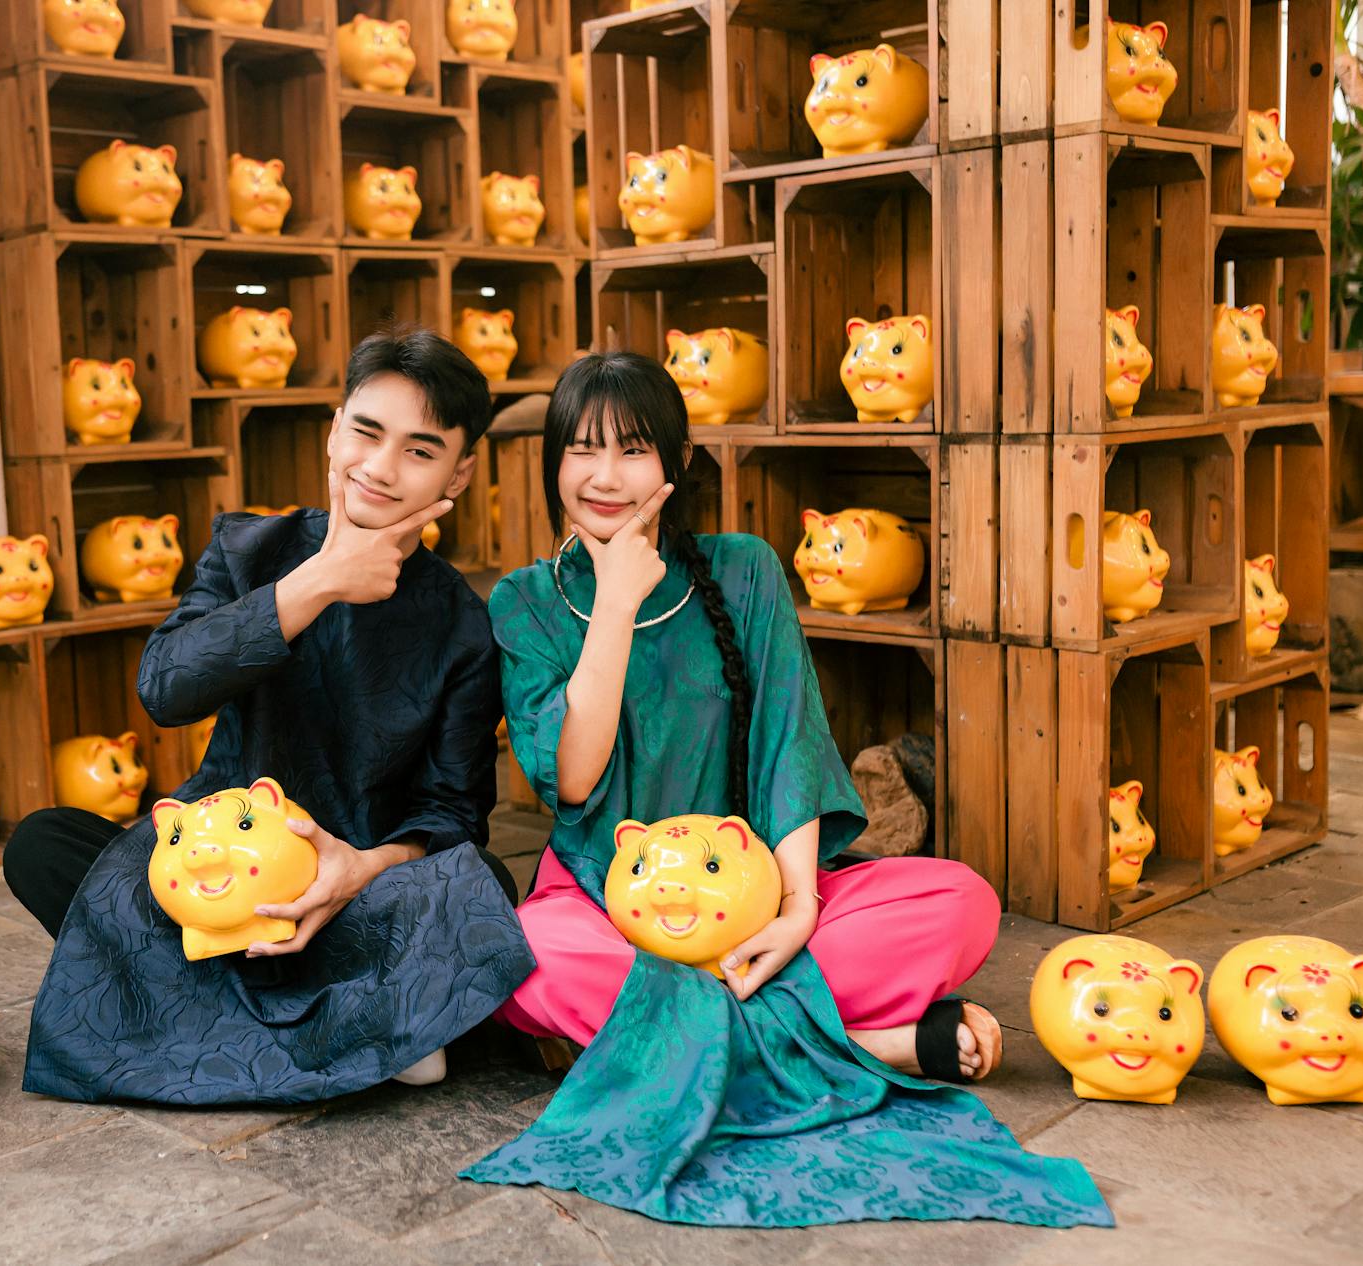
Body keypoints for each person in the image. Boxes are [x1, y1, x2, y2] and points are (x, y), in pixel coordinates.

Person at [460, 352, 1110, 1230]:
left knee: (959, 902)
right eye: (581, 450)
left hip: (755, 906)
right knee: (527, 953)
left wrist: (799, 908)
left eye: (633, 450)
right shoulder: (527, 600)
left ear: (678, 464)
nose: (605, 477)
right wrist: (614, 601)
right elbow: (572, 777)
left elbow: (787, 747)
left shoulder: (746, 570)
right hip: (609, 911)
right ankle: (868, 1048)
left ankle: (654, 1051)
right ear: (552, 462)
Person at [10, 327, 535, 1105]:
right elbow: (164, 688)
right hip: (213, 876)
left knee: (481, 882)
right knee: (41, 844)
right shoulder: (249, 549)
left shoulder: (464, 624)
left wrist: (358, 870)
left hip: (353, 897)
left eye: (421, 451)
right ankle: (368, 1026)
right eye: (366, 432)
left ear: (458, 471)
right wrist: (317, 581)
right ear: (334, 431)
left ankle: (205, 1008)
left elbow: (452, 814)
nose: (382, 468)